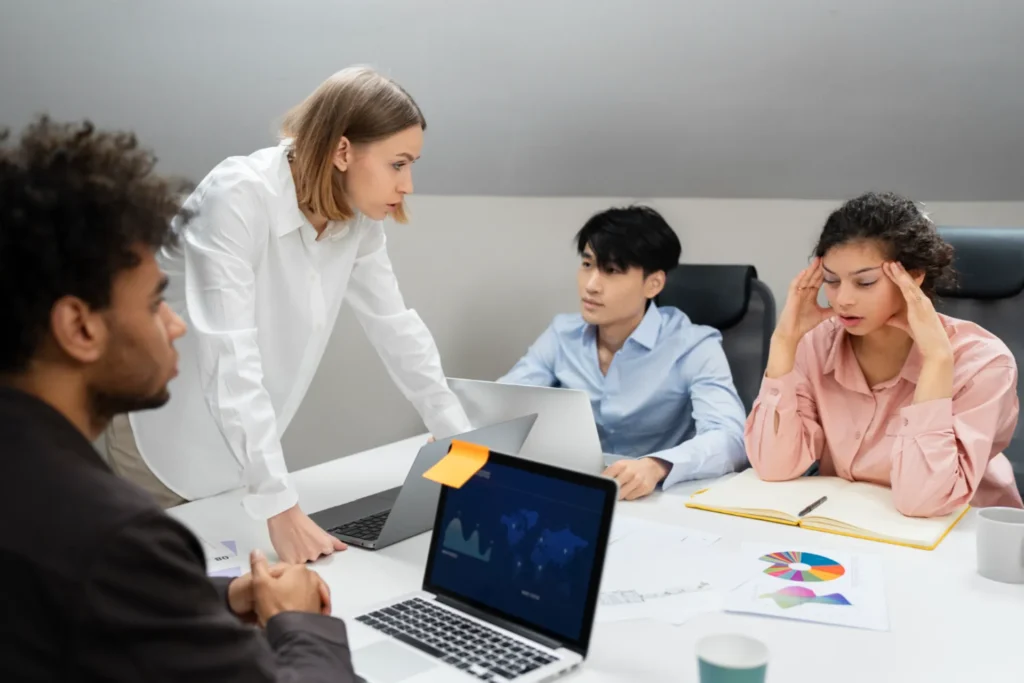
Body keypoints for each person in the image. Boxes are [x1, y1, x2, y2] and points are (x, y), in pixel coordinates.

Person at [0, 117, 360, 681]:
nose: (175, 326)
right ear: (80, 327)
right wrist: (297, 621)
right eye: (153, 304)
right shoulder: (117, 539)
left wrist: (217, 599)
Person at [114, 66, 472, 564]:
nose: (408, 184)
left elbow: (396, 328)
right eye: (399, 163)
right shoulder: (237, 196)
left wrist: (459, 438)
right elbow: (230, 355)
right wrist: (281, 508)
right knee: (140, 608)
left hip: (240, 462)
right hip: (158, 447)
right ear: (343, 151)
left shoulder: (357, 223)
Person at [746, 191, 1022, 517]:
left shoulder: (983, 363)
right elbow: (774, 466)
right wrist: (784, 342)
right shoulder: (816, 344)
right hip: (857, 529)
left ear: (914, 276)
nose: (843, 299)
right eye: (832, 281)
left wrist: (936, 361)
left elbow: (924, 502)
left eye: (864, 282)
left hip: (965, 537)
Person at [499, 205, 747, 500]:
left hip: (659, 498)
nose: (591, 285)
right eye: (588, 264)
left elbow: (731, 438)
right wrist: (464, 427)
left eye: (612, 271)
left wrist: (657, 466)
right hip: (582, 492)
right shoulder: (561, 335)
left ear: (653, 283)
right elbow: (505, 400)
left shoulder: (694, 346)